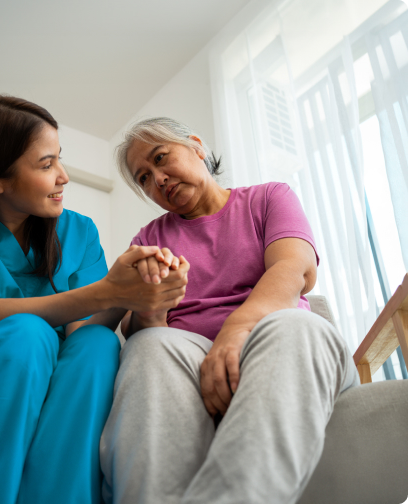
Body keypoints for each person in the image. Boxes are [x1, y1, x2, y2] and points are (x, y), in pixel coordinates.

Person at [0, 97, 189, 504]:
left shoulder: (79, 231)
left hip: (57, 380)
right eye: (46, 165)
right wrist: (107, 292)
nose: (64, 177)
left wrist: (134, 293)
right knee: (24, 334)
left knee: (98, 342)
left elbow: (83, 328)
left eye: (59, 160)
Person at [99, 117, 359, 504]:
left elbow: (295, 268)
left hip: (280, 343)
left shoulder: (268, 197)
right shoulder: (149, 239)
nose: (159, 179)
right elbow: (137, 326)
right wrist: (153, 307)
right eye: (144, 178)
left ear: (198, 146)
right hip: (189, 361)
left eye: (161, 158)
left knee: (295, 326)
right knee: (149, 347)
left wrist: (236, 330)